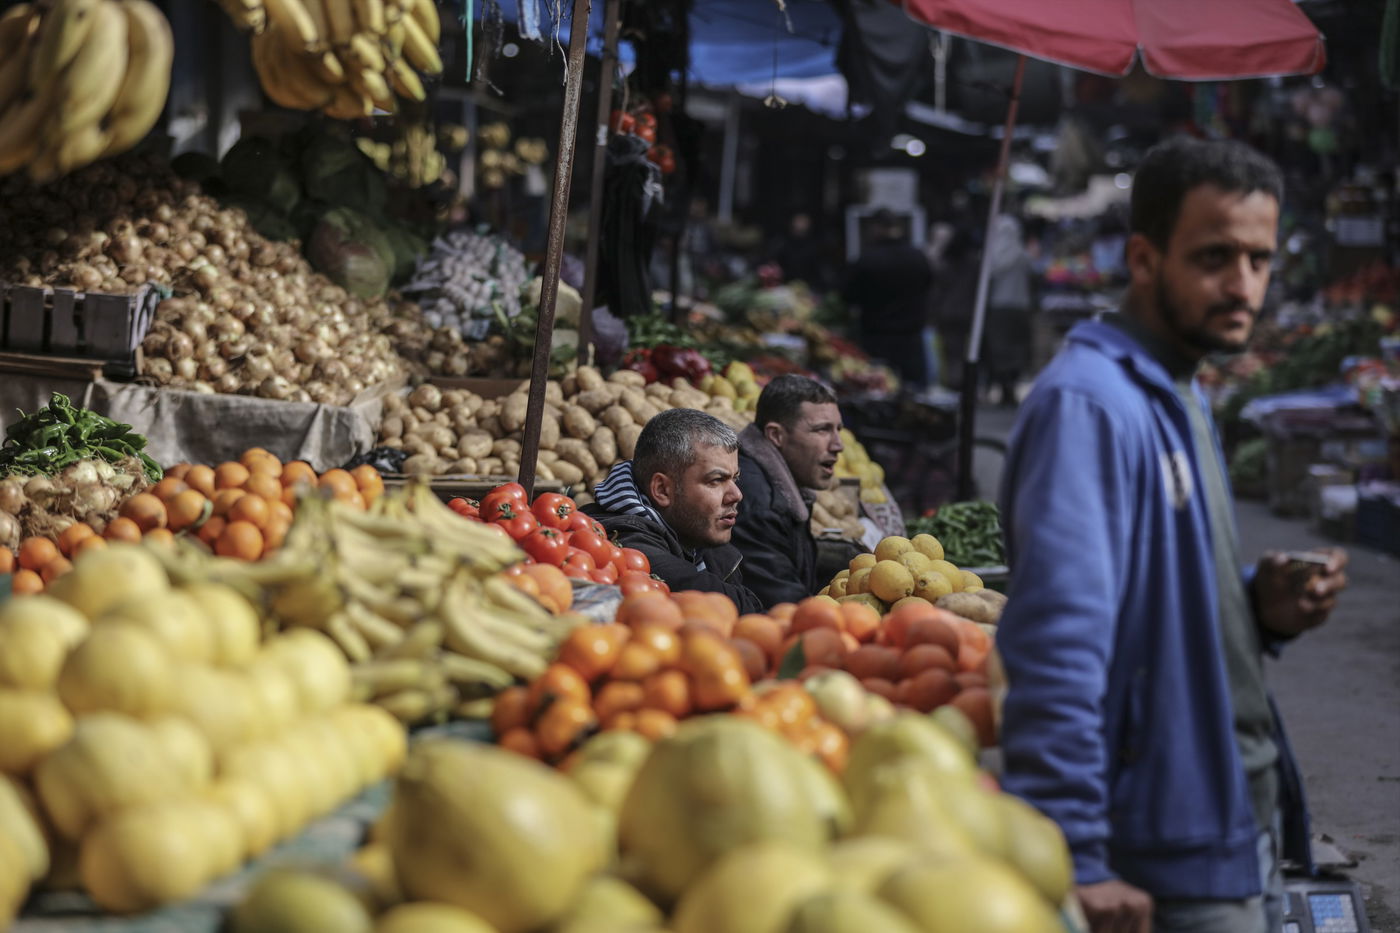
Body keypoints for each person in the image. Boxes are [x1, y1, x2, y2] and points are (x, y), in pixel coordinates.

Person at [995, 136, 1350, 933]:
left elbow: (1153, 601)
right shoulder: (1090, 405)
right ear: (1144, 258)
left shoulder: (1178, 388)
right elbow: (1054, 646)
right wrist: (1077, 856)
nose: (1244, 286)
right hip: (1163, 856)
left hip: (1234, 819)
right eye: (1216, 257)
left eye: (1260, 259)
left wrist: (1259, 605)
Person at [586, 408, 764, 614]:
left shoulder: (699, 538)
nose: (737, 494)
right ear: (662, 490)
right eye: (716, 480)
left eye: (735, 478)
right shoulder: (626, 544)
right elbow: (741, 608)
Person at [730, 375, 844, 609]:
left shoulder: (775, 487)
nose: (838, 445)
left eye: (838, 430)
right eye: (822, 430)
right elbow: (786, 609)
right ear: (776, 436)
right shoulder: (760, 505)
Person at [843, 209, 934, 388]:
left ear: (876, 228)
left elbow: (848, 296)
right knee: (914, 391)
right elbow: (928, 286)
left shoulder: (866, 259)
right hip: (911, 336)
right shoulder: (917, 257)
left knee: (878, 388)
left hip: (876, 336)